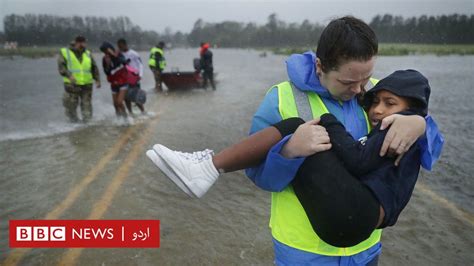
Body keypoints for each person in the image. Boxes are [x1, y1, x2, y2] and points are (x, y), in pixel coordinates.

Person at [147, 17, 441, 265]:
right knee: (293, 129)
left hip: (364, 251)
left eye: (366, 78)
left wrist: (419, 124)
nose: (360, 89)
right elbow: (257, 176)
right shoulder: (282, 99)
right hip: (303, 253)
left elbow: (431, 154)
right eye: (348, 82)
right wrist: (288, 152)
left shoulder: (380, 96)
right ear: (319, 67)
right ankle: (209, 168)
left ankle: (207, 167)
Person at [57, 35, 101, 123]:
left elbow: (94, 67)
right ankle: (73, 124)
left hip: (86, 84)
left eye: (84, 43)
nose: (83, 45)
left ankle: (87, 125)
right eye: (80, 43)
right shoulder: (65, 52)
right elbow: (61, 67)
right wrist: (69, 75)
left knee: (86, 106)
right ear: (76, 43)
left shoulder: (88, 53)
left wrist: (97, 79)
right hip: (72, 84)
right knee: (71, 105)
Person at [100, 41, 139, 120]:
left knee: (120, 102)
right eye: (104, 52)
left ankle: (126, 119)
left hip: (123, 82)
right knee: (115, 104)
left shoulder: (119, 55)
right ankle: (118, 120)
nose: (106, 53)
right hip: (114, 83)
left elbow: (125, 62)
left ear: (110, 49)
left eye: (106, 51)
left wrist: (114, 56)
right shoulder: (105, 59)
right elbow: (107, 72)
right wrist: (107, 64)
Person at [117, 38, 146, 115]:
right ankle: (130, 112)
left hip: (134, 77)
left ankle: (143, 111)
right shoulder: (120, 55)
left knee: (136, 95)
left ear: (125, 45)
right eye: (119, 47)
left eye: (121, 46)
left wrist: (140, 75)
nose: (120, 48)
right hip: (125, 79)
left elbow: (140, 65)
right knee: (126, 97)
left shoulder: (134, 53)